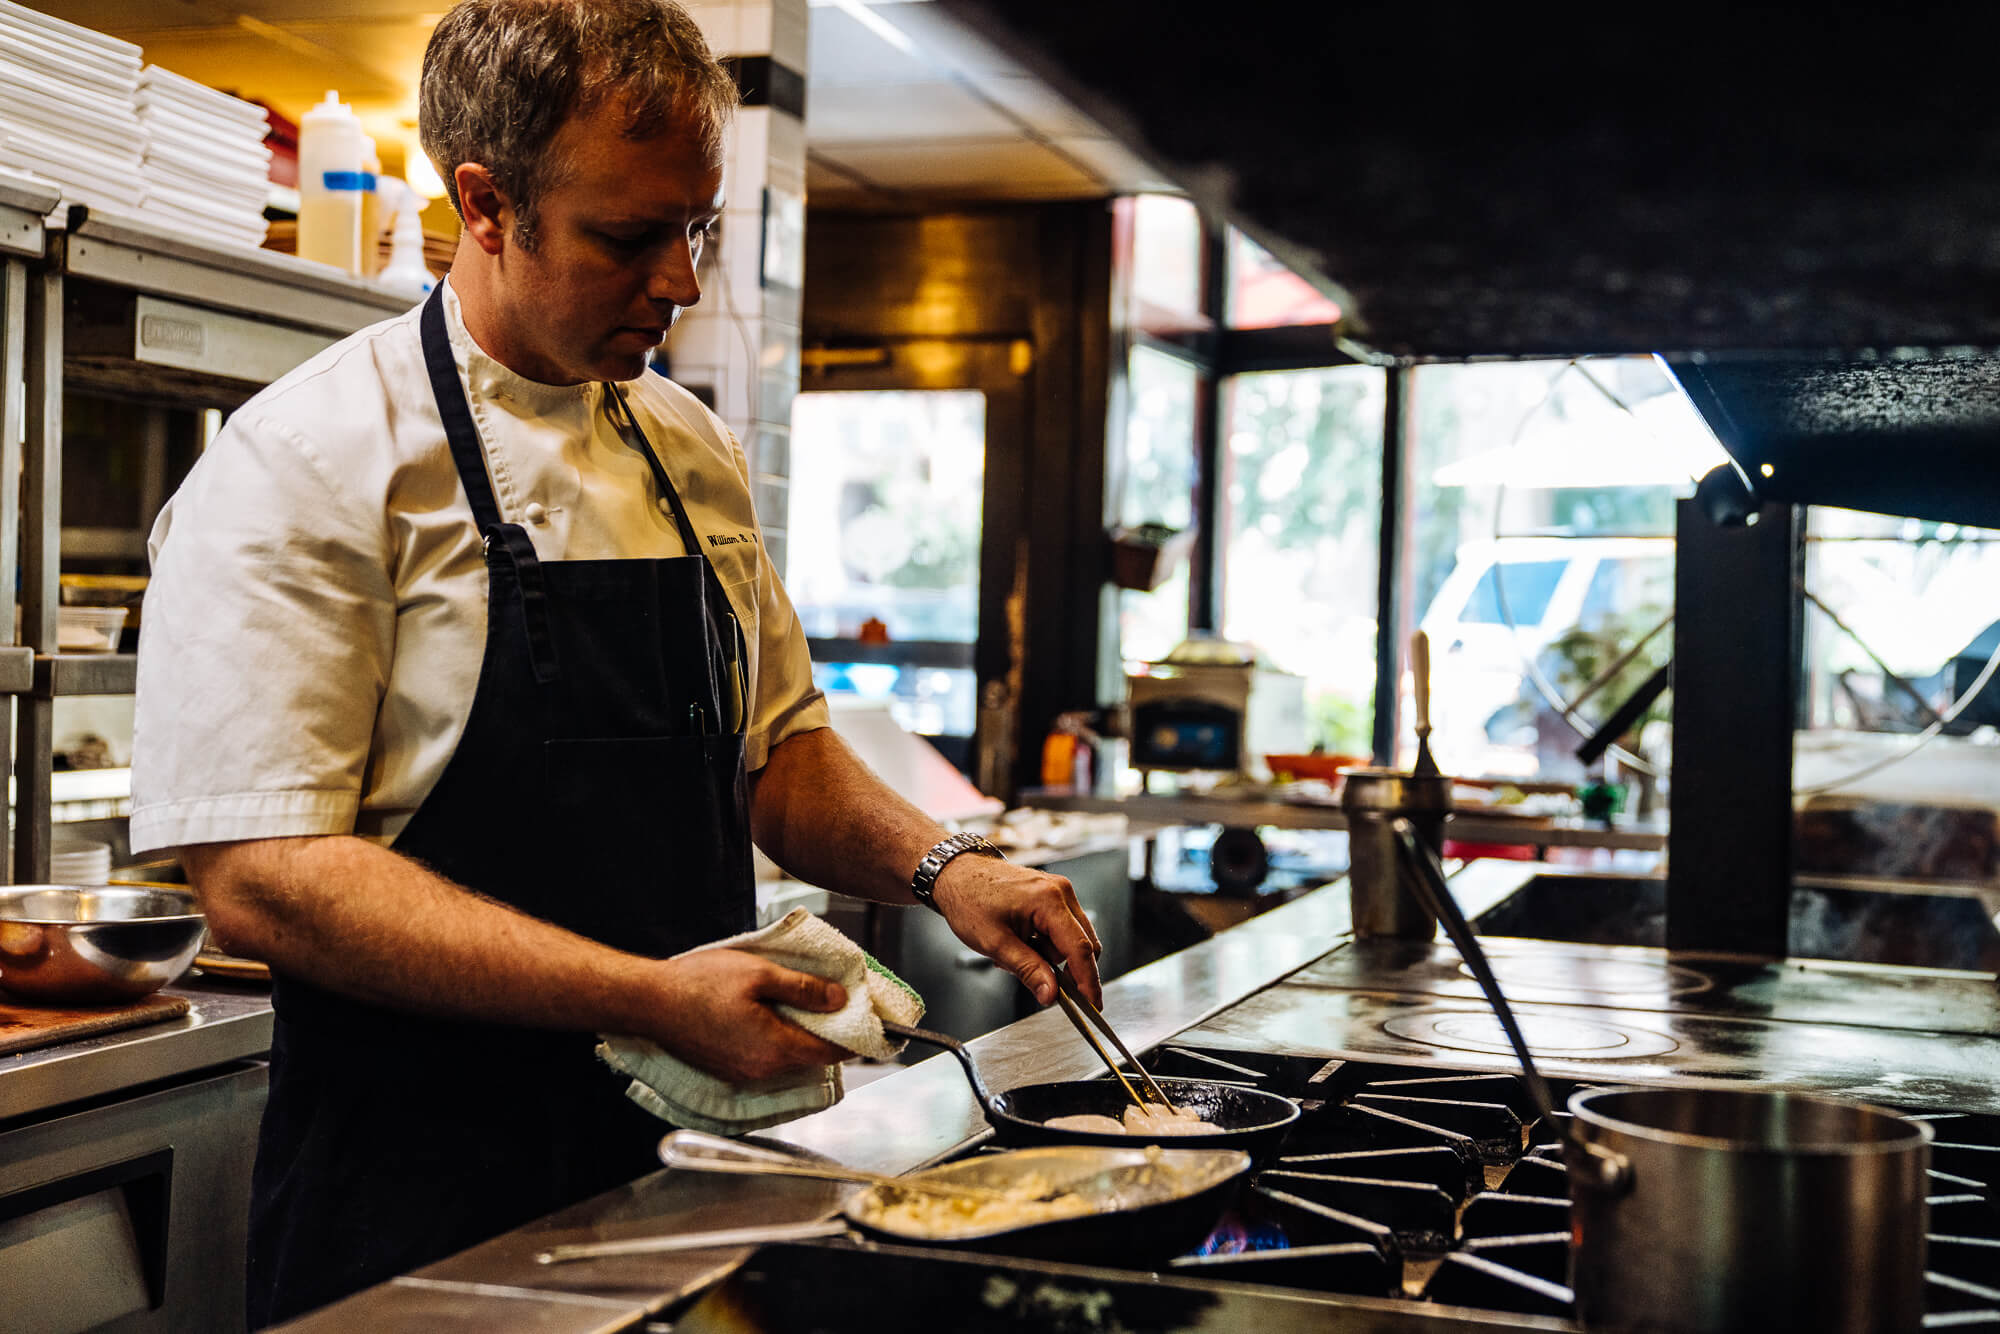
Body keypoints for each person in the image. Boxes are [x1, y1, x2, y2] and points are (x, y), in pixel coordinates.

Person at [129, 2, 1101, 1325]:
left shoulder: (686, 446)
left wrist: (951, 866)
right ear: (486, 204)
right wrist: (651, 997)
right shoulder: (303, 464)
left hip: (691, 1183)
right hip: (419, 1210)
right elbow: (263, 880)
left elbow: (780, 759)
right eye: (631, 237)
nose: (683, 281)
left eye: (696, 228)